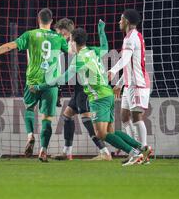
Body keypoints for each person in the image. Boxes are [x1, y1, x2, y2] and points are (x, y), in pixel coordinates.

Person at [33, 28, 153, 166]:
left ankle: (134, 154)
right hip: (108, 94)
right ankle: (142, 148)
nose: (69, 43)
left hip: (99, 97)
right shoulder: (93, 51)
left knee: (101, 134)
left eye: (70, 40)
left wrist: (39, 87)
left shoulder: (79, 59)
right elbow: (105, 47)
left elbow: (61, 79)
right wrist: (101, 31)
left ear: (74, 42)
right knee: (110, 132)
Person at [0, 8, 68, 162]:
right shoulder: (58, 38)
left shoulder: (30, 35)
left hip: (32, 81)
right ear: (51, 21)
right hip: (51, 84)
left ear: (38, 20)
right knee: (47, 118)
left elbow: (9, 46)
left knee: (29, 108)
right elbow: (72, 51)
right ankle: (43, 150)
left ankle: (30, 135)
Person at [53, 18, 111, 161]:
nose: (61, 38)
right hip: (79, 89)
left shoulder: (79, 48)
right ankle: (67, 152)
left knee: (87, 120)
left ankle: (104, 151)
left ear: (67, 33)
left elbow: (66, 74)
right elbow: (104, 48)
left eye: (61, 34)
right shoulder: (77, 46)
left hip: (86, 89)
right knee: (67, 116)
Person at [108, 9, 151, 162]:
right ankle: (134, 150)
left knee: (136, 116)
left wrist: (113, 71)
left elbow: (125, 59)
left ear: (126, 20)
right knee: (124, 116)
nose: (119, 22)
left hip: (138, 83)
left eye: (121, 19)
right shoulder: (133, 36)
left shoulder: (130, 38)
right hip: (129, 84)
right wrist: (120, 83)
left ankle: (144, 150)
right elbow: (130, 64)